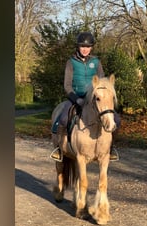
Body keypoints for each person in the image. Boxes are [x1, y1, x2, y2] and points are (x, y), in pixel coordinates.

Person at [50, 31, 120, 162]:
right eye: (82, 46)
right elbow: (67, 85)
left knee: (116, 119)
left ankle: (111, 149)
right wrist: (77, 99)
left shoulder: (96, 62)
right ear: (78, 47)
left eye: (88, 47)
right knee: (63, 119)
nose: (85, 49)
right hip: (75, 97)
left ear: (91, 47)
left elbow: (102, 82)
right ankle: (59, 149)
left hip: (95, 99)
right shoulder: (71, 62)